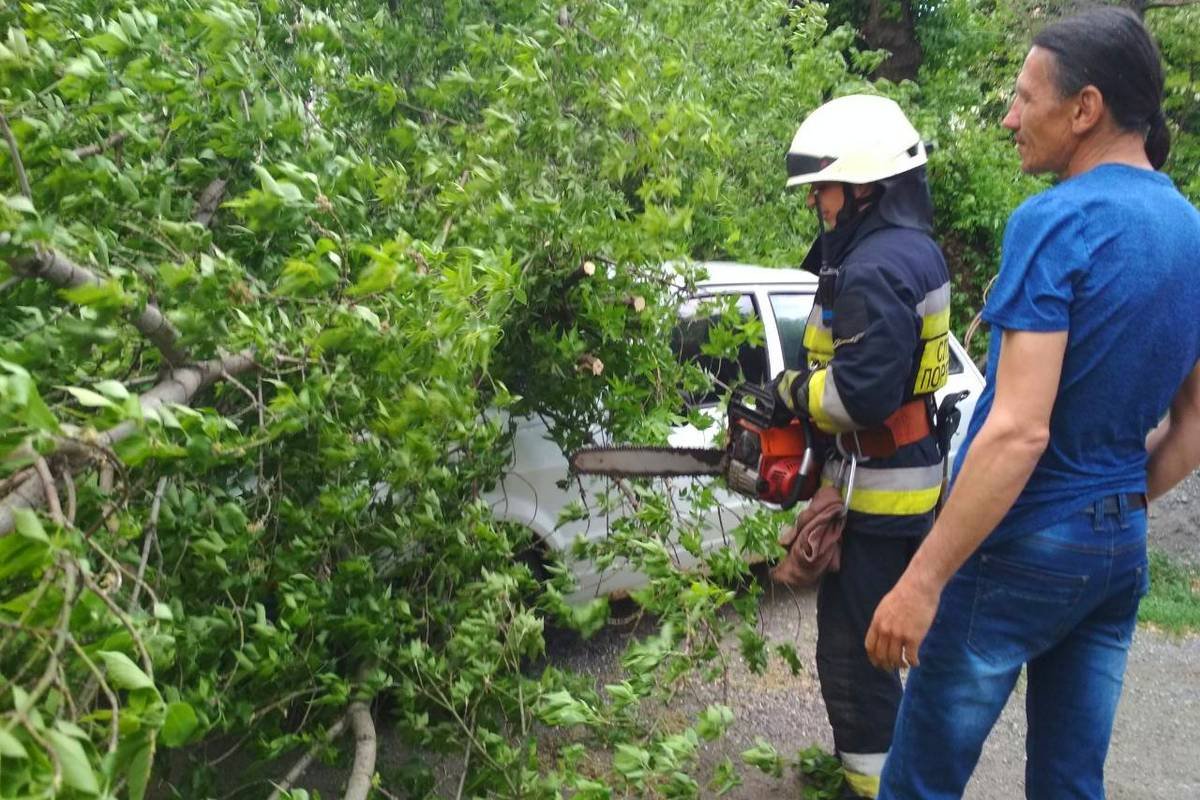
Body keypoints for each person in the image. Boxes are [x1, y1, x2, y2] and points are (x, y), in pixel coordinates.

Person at [864, 8, 1200, 799]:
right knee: (1069, 782)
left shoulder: (1056, 221)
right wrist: (1112, 502)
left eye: (1024, 99)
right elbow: (1194, 424)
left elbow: (1017, 431)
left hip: (1019, 547)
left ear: (1084, 110)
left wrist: (921, 581)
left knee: (920, 783)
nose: (1011, 119)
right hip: (1117, 555)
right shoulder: (1189, 228)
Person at [770, 94, 952, 799]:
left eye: (824, 187)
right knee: (885, 654)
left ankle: (875, 791)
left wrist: (792, 395)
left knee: (857, 661)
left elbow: (862, 396)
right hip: (900, 477)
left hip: (879, 492)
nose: (817, 200)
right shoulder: (912, 250)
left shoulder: (874, 268)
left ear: (865, 186)